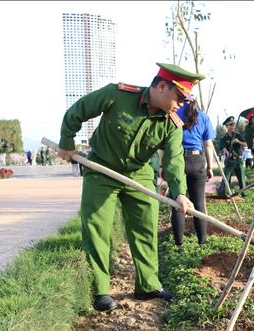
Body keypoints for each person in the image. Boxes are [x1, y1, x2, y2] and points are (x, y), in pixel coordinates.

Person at [57, 62, 199, 311]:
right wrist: (67, 142)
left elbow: (175, 160)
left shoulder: (171, 124)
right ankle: (101, 290)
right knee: (97, 229)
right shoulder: (117, 95)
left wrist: (180, 194)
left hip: (139, 174)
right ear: (162, 86)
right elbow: (78, 110)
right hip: (101, 169)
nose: (181, 104)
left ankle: (147, 285)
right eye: (179, 97)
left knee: (146, 225)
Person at [171, 99, 215, 246]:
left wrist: (165, 167)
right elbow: (208, 145)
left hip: (178, 160)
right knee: (199, 203)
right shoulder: (203, 117)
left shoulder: (173, 114)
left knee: (178, 203)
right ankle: (202, 242)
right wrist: (209, 166)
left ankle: (179, 245)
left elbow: (166, 144)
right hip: (197, 160)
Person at [218, 116, 247, 196]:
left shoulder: (238, 135)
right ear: (227, 127)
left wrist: (239, 142)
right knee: (226, 178)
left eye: (233, 125)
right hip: (229, 160)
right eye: (230, 125)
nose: (232, 126)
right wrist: (227, 152)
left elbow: (246, 144)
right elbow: (223, 148)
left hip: (238, 160)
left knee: (241, 178)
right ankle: (226, 194)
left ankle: (243, 194)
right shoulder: (224, 138)